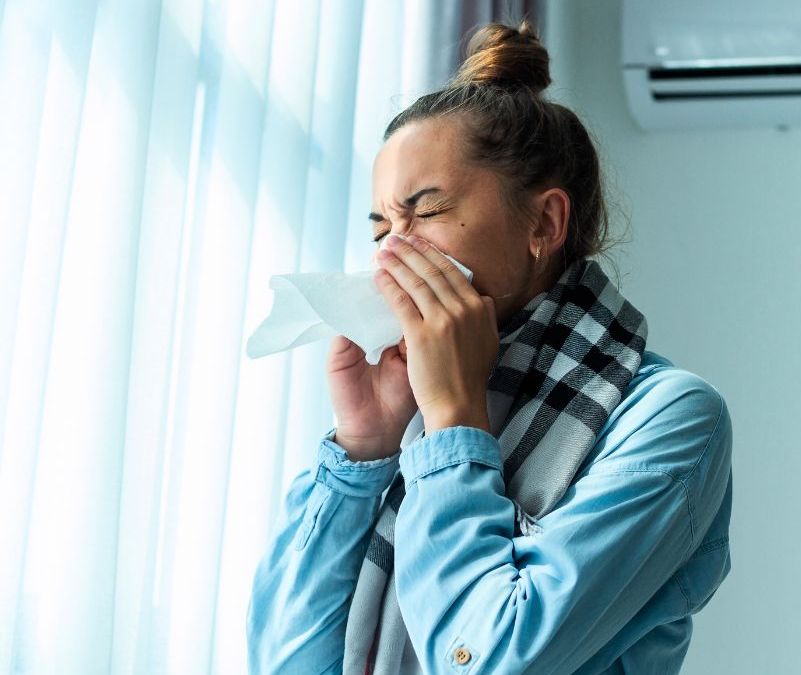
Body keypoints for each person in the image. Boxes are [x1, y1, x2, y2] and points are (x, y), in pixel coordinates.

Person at [246, 19, 733, 675]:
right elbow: (285, 664)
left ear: (543, 222)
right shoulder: (407, 411)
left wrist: (453, 421)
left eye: (425, 211)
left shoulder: (669, 420)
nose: (391, 251)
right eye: (383, 225)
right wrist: (361, 450)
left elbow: (484, 660)